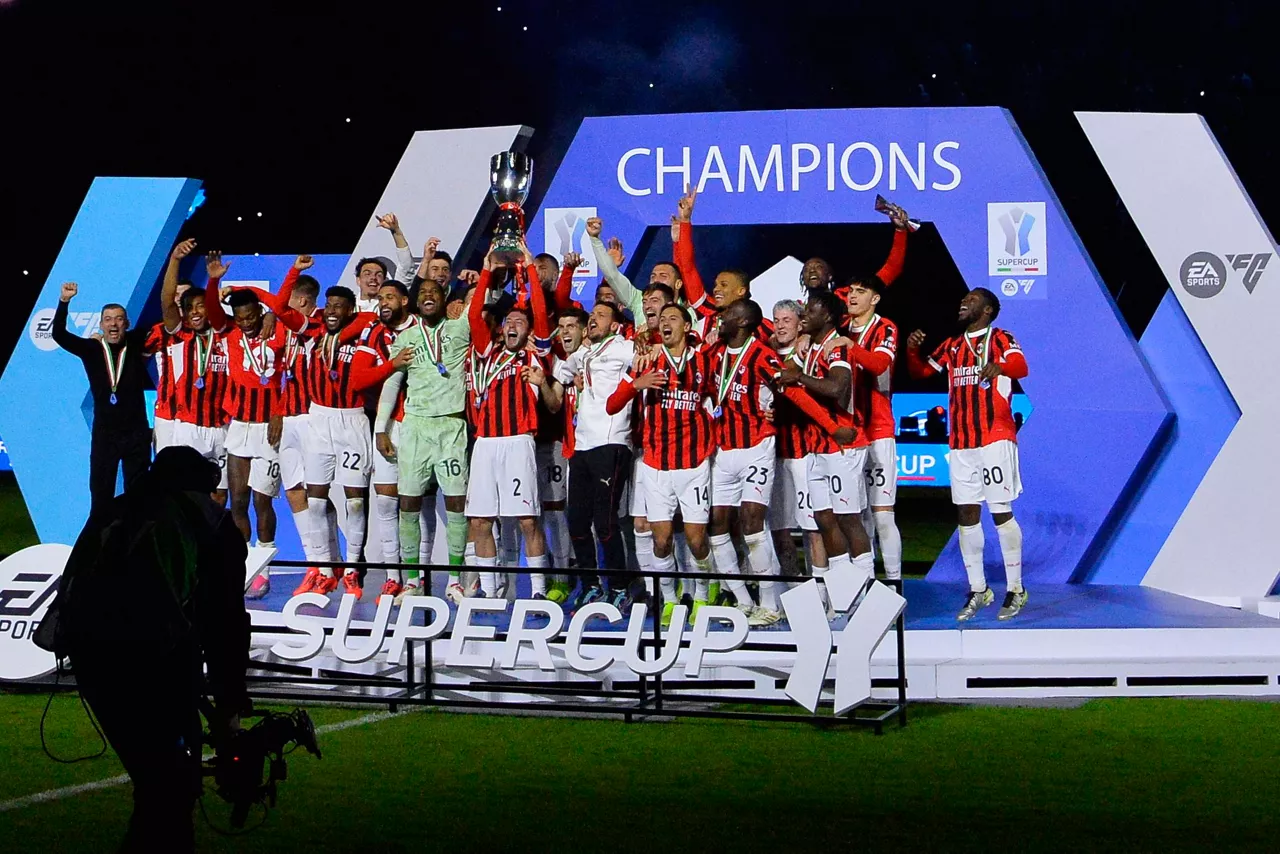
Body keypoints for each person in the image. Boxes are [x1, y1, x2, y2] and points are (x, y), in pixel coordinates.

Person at [58, 446, 250, 854]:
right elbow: (225, 623)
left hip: (91, 653)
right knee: (169, 786)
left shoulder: (115, 509)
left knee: (160, 783)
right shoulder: (210, 523)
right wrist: (230, 709)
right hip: (147, 652)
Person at [906, 288, 1029, 621]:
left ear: (987, 310)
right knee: (966, 515)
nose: (963, 302)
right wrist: (912, 351)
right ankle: (979, 589)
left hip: (994, 437)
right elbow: (921, 373)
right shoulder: (952, 345)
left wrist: (998, 366)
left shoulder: (1000, 338)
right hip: (961, 442)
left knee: (1000, 511)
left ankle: (1016, 589)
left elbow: (1021, 366)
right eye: (963, 299)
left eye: (972, 300)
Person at [607, 304, 716, 622]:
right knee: (661, 539)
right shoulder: (646, 361)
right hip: (655, 466)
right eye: (662, 319)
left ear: (687, 326)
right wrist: (636, 385)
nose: (665, 323)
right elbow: (612, 405)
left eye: (673, 318)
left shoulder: (703, 362)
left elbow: (720, 399)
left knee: (697, 539)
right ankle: (669, 599)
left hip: (693, 466)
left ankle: (702, 594)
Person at [372, 275, 471, 603]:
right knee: (409, 504)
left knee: (456, 503)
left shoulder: (459, 328)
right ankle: (412, 580)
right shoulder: (407, 338)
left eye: (435, 292)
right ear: (415, 303)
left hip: (451, 426)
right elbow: (392, 383)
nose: (429, 296)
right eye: (423, 293)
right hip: (415, 428)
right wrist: (381, 428)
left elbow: (484, 300)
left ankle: (455, 581)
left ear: (445, 297)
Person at [777, 289, 877, 612]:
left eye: (811, 310)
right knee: (823, 519)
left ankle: (869, 596)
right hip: (817, 446)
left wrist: (800, 378)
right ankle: (843, 593)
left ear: (829, 317)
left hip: (843, 445)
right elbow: (788, 379)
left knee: (848, 519)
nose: (804, 314)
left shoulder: (837, 348)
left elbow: (837, 388)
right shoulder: (810, 348)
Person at [464, 248, 555, 598]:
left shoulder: (535, 354)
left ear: (529, 330)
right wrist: (486, 270)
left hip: (518, 442)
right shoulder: (488, 353)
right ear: (501, 330)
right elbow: (475, 316)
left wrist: (529, 267)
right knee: (480, 520)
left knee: (527, 520)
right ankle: (489, 591)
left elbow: (541, 313)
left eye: (520, 322)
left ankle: (538, 590)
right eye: (509, 322)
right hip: (485, 444)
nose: (513, 325)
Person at [203, 255, 298, 557]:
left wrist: (279, 412)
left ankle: (265, 563)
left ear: (258, 310)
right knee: (238, 500)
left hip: (269, 427)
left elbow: (280, 306)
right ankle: (241, 561)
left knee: (262, 501)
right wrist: (214, 281)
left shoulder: (277, 331)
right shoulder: (229, 332)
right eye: (240, 318)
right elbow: (212, 309)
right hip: (239, 427)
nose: (245, 323)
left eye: (250, 317)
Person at [553, 301, 636, 608]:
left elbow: (648, 358)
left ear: (615, 325)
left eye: (601, 316)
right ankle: (590, 585)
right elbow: (561, 371)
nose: (593, 319)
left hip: (612, 442)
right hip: (582, 446)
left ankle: (619, 587)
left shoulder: (624, 348)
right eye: (592, 315)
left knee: (605, 521)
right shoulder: (584, 353)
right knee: (576, 521)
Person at [53, 281, 153, 517]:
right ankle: (99, 538)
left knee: (138, 498)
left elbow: (164, 325)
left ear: (127, 323)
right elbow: (58, 334)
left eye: (118, 319)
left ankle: (135, 539)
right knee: (100, 497)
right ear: (100, 325)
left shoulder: (136, 341)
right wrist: (64, 301)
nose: (113, 324)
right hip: (105, 436)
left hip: (137, 433)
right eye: (108, 319)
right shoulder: (91, 349)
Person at [835, 275, 904, 581]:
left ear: (874, 299)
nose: (852, 296)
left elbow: (878, 365)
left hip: (877, 430)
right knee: (856, 515)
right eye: (851, 290)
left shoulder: (885, 327)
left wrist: (850, 346)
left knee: (882, 514)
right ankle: (864, 582)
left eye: (860, 292)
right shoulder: (840, 327)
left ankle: (893, 583)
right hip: (849, 433)